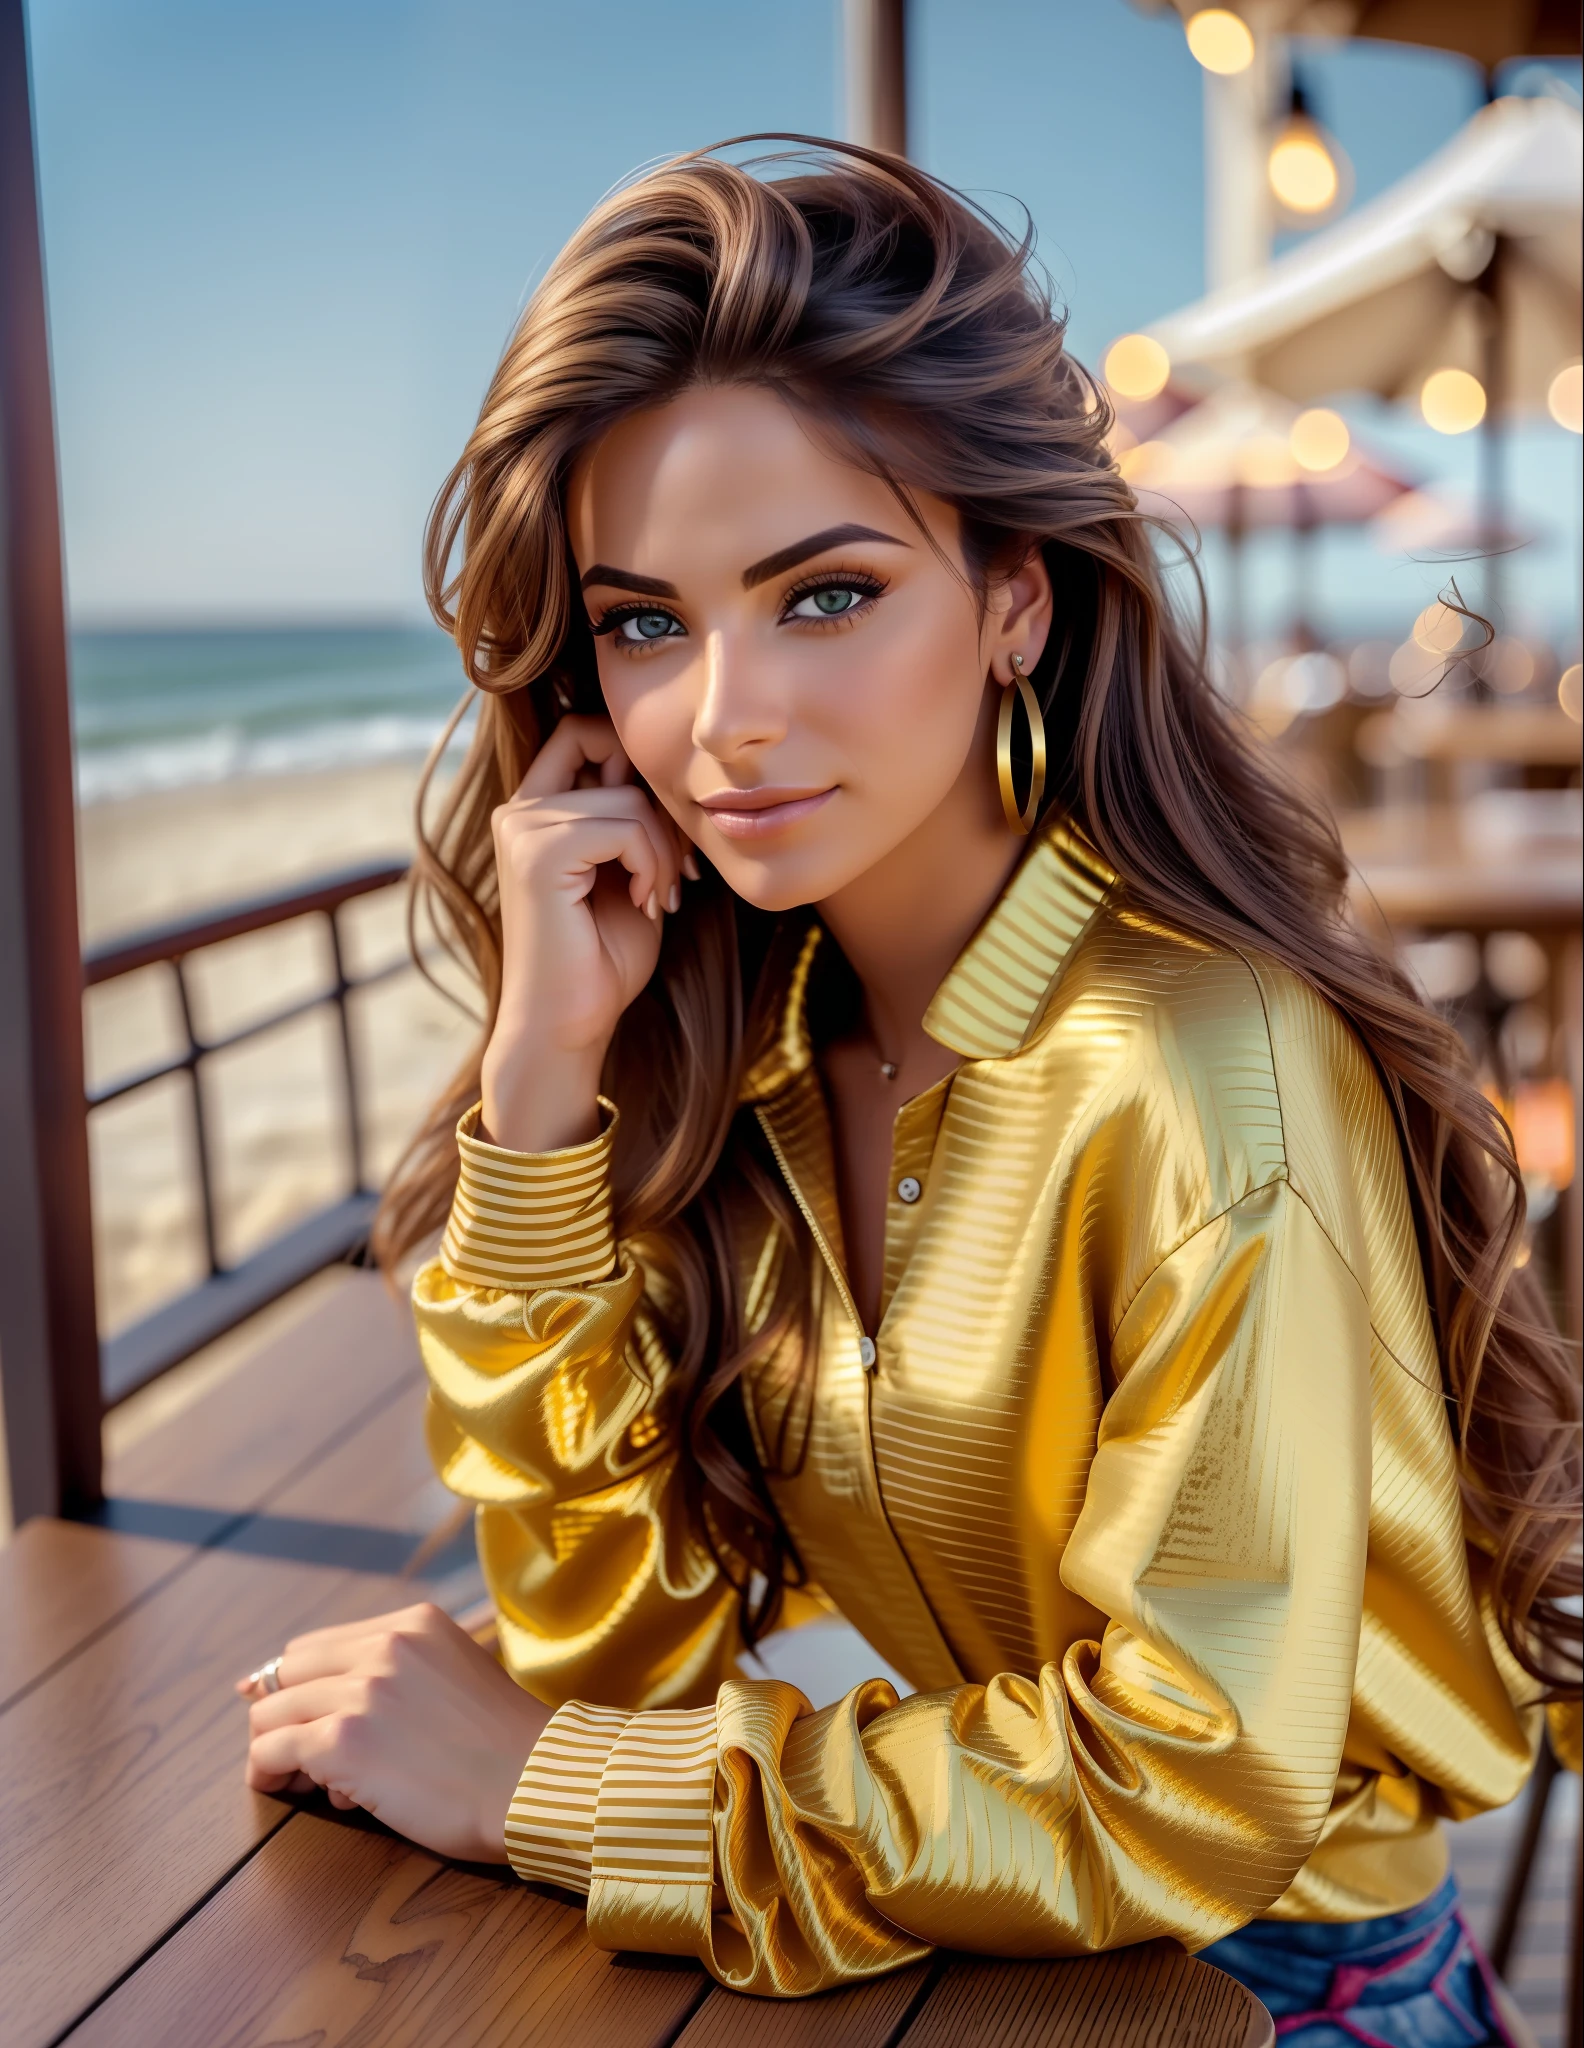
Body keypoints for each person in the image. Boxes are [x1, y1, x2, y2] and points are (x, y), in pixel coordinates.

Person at [238, 141, 1580, 2038]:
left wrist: (549, 1788)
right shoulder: (748, 1037)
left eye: (826, 596)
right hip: (963, 1940)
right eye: (644, 624)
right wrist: (541, 1088)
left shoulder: (1201, 1070)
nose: (725, 719)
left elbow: (1191, 1783)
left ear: (1015, 599)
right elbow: (618, 1658)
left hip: (1277, 1997)